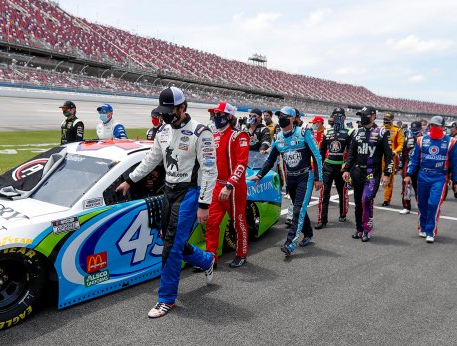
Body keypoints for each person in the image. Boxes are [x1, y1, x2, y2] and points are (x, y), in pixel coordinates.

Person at [116, 87, 216, 319]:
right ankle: (206, 259)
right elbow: (151, 159)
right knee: (170, 239)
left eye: (170, 111)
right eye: (163, 112)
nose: (165, 116)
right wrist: (130, 180)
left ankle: (166, 299)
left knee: (170, 246)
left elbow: (210, 170)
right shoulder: (163, 130)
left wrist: (204, 204)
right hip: (168, 191)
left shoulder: (201, 132)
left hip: (190, 193)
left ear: (183, 108)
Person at [249, 106, 323, 256]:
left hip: (305, 176)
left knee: (297, 210)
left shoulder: (304, 132)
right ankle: (308, 233)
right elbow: (270, 160)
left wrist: (318, 178)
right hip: (291, 178)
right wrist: (259, 175)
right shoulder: (278, 137)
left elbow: (317, 156)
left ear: (292, 118)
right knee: (299, 208)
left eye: (283, 115)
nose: (280, 118)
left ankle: (290, 243)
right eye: (279, 115)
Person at [206, 102, 250, 268]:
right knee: (211, 222)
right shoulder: (213, 136)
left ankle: (241, 253)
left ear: (229, 116)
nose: (215, 117)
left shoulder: (239, 136)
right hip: (217, 185)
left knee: (238, 222)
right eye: (214, 114)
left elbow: (242, 163)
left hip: (234, 188)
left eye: (218, 114)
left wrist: (229, 185)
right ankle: (210, 259)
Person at [405, 116, 457, 243]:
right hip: (423, 176)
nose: (433, 128)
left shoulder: (451, 142)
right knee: (422, 204)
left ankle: (430, 231)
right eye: (432, 125)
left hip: (440, 177)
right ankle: (423, 227)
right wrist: (409, 174)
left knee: (433, 204)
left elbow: (455, 163)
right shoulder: (421, 140)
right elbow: (414, 159)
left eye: (437, 126)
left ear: (443, 127)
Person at [342, 106, 394, 242]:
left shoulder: (382, 132)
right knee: (358, 202)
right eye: (361, 115)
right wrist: (347, 169)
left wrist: (387, 173)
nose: (363, 117)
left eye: (366, 115)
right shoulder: (356, 132)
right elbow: (351, 154)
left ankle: (367, 230)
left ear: (373, 116)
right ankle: (359, 229)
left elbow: (389, 156)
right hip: (357, 172)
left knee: (366, 199)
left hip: (373, 172)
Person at [315, 108, 350, 229]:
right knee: (325, 193)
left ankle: (343, 214)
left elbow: (351, 152)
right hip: (328, 166)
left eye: (340, 116)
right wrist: (319, 167)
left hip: (341, 167)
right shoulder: (327, 132)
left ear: (344, 117)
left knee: (342, 192)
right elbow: (322, 151)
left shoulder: (349, 132)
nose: (337, 118)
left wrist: (347, 166)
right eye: (335, 116)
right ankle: (322, 220)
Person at [399, 121, 422, 215]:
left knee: (420, 187)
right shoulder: (407, 138)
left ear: (421, 129)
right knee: (406, 185)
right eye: (412, 130)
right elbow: (402, 153)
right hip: (408, 163)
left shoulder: (425, 139)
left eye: (416, 130)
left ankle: (420, 207)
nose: (414, 131)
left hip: (421, 165)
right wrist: (401, 166)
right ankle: (406, 206)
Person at [381, 113, 403, 206]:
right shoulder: (380, 129)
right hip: (379, 158)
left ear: (392, 120)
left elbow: (401, 144)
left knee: (389, 179)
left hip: (390, 158)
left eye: (388, 119)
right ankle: (369, 196)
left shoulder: (397, 130)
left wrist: (395, 152)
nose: (386, 121)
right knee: (372, 176)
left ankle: (386, 200)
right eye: (385, 119)